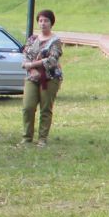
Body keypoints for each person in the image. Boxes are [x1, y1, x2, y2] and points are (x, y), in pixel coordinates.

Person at [20, 9, 62, 146]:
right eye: (41, 21)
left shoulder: (55, 41)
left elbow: (52, 60)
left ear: (51, 23)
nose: (43, 23)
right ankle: (27, 137)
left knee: (45, 108)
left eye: (46, 21)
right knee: (28, 107)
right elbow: (25, 56)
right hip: (32, 77)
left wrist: (33, 64)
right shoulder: (32, 39)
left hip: (50, 78)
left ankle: (42, 138)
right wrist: (31, 69)